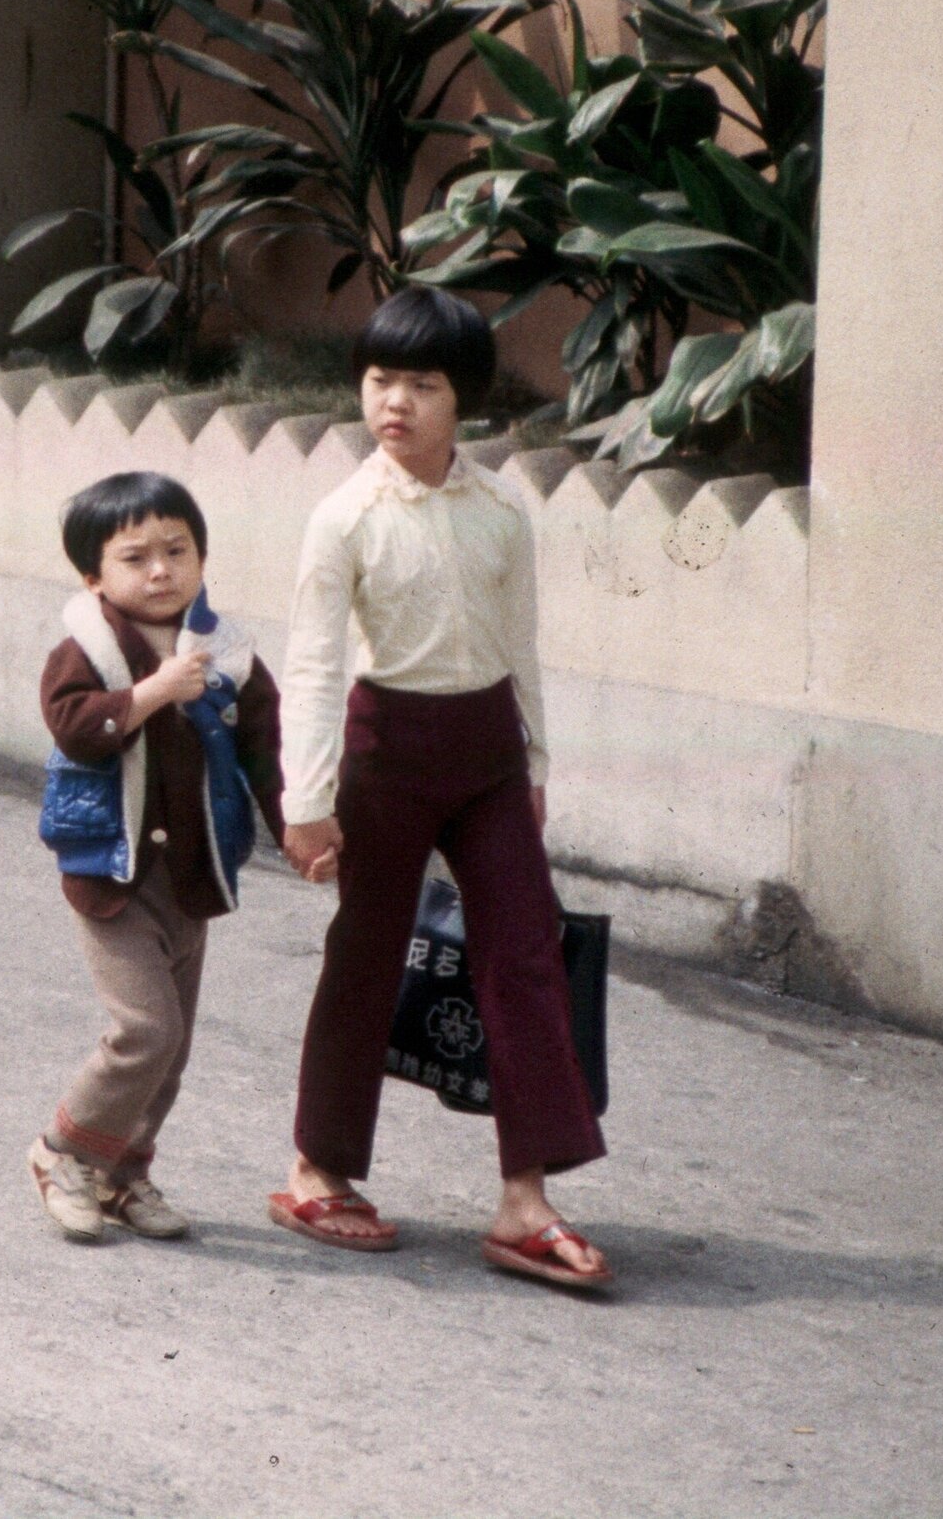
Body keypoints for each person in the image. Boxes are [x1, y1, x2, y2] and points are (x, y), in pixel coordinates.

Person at [271, 287, 613, 1289]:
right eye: (380, 379)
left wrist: (536, 765)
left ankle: (524, 1198)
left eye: (422, 383)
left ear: (462, 397)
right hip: (386, 754)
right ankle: (315, 1168)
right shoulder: (343, 519)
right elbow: (314, 664)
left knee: (523, 958)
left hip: (489, 754)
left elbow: (523, 648)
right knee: (366, 954)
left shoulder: (502, 512)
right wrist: (306, 798)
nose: (395, 402)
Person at [29, 472, 287, 1242]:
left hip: (192, 875)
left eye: (177, 550)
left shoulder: (228, 653)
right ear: (93, 575)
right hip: (109, 873)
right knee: (145, 1028)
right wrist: (151, 692)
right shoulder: (87, 650)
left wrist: (298, 827)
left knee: (172, 1049)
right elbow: (75, 726)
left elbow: (264, 749)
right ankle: (61, 1153)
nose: (160, 570)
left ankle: (123, 1172)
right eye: (134, 556)